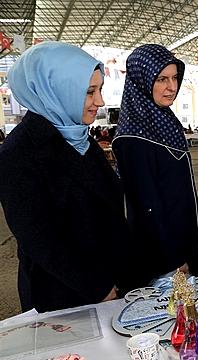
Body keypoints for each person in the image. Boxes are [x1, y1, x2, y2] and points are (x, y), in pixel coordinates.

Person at [0, 42, 133, 312]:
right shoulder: (17, 154)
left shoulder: (81, 139)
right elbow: (41, 240)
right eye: (89, 92)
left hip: (111, 287)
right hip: (64, 301)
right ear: (54, 91)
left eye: (100, 90)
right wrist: (99, 287)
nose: (100, 102)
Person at [113, 44, 198, 284]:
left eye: (174, 78)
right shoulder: (132, 137)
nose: (172, 87)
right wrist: (173, 260)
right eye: (162, 79)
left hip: (181, 240)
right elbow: (146, 207)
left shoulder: (164, 121)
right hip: (161, 258)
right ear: (142, 80)